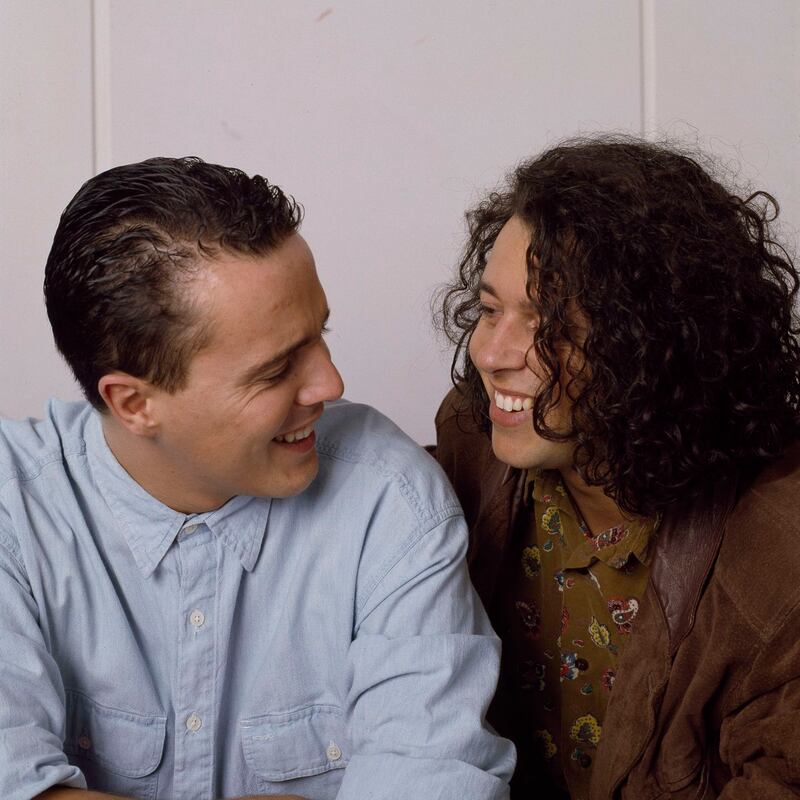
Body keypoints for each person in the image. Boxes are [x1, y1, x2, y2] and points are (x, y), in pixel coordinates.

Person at [0, 157, 514, 800]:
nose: (331, 384)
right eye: (275, 371)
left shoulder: (391, 496)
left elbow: (435, 781)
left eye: (320, 335)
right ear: (134, 404)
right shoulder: (13, 508)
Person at [434, 137, 800, 799]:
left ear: (657, 344)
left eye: (547, 327)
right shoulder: (472, 442)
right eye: (489, 310)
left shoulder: (780, 553)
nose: (490, 354)